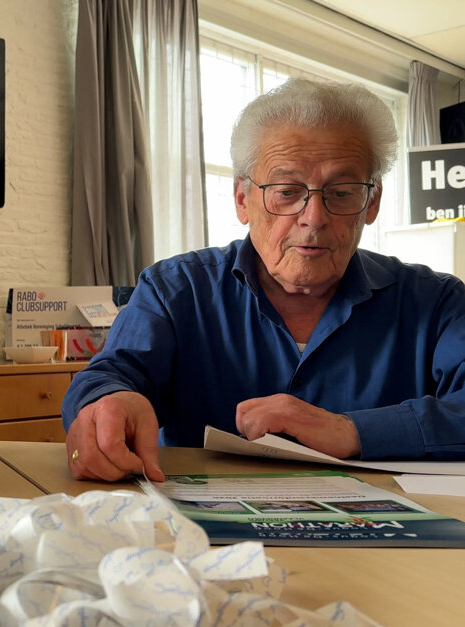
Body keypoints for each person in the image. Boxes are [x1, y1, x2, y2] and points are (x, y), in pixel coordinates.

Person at [62, 78, 465, 482]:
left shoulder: (438, 303)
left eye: (341, 193)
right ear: (242, 199)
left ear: (371, 203)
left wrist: (349, 430)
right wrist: (107, 402)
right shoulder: (174, 291)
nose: (314, 217)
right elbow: (111, 374)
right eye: (287, 191)